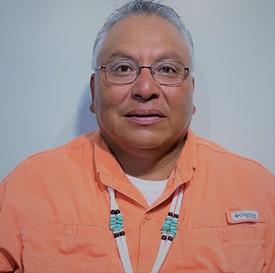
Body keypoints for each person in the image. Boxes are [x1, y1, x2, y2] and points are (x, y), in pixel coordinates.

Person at [0, 0, 274, 272]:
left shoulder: (257, 190)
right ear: (94, 93)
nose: (145, 88)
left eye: (167, 69)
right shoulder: (29, 186)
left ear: (192, 93)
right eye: (122, 68)